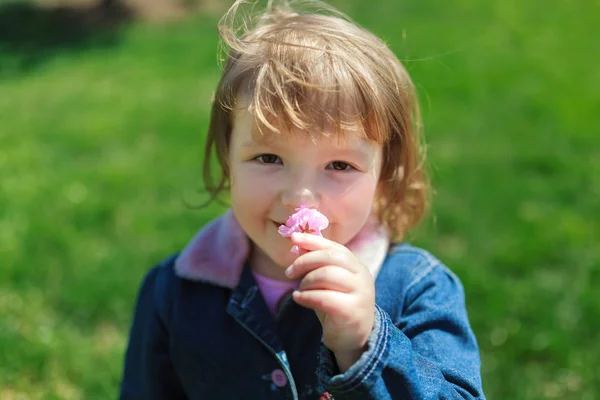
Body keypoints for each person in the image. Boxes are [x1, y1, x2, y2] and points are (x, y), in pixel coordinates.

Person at [119, 0, 485, 398]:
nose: (299, 197)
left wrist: (364, 346)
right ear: (228, 160)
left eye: (340, 165)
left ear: (383, 175)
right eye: (269, 157)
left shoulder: (418, 291)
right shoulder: (175, 292)